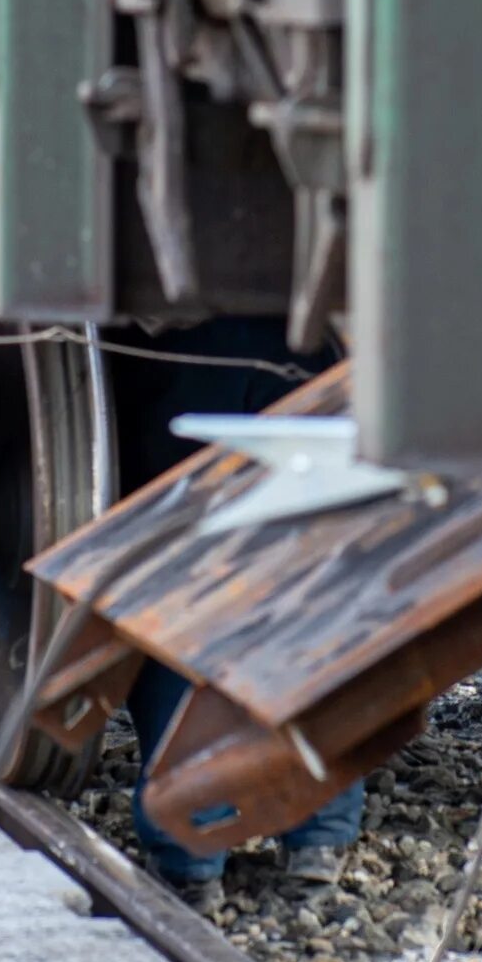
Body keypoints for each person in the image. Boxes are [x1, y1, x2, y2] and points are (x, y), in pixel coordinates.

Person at [109, 315, 363, 909]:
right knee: (309, 589)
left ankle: (192, 853)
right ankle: (317, 835)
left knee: (180, 603)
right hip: (305, 346)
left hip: (173, 361)